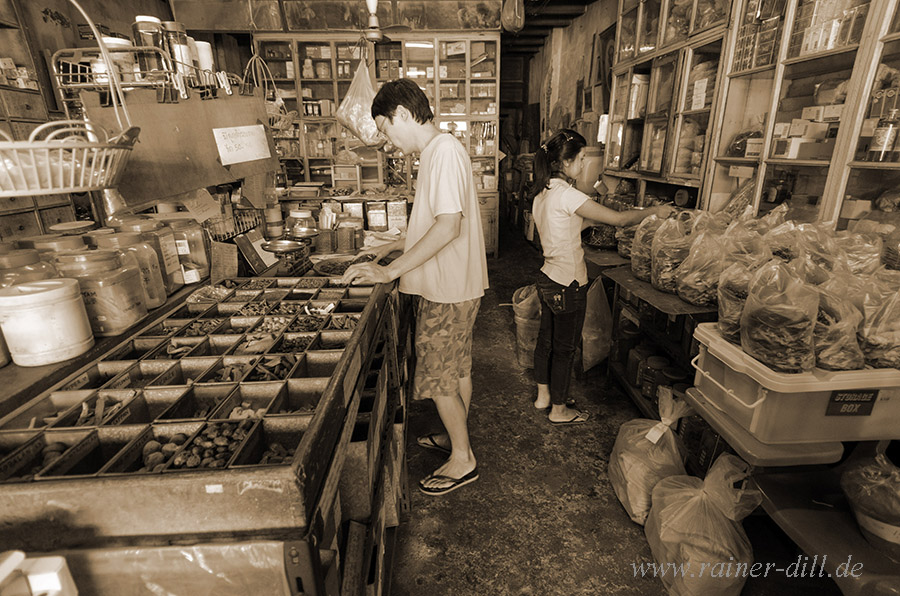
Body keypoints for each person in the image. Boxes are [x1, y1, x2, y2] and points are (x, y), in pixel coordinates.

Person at [343, 78, 489, 496]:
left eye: (386, 129)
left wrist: (389, 272)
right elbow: (435, 224)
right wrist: (391, 245)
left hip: (446, 288)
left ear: (403, 115)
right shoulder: (441, 151)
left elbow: (448, 227)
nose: (388, 140)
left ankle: (463, 458)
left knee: (441, 375)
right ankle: (454, 433)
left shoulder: (441, 153)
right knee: (457, 367)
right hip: (458, 285)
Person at [530, 129, 674, 424]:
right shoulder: (568, 195)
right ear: (566, 161)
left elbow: (567, 227)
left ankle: (544, 396)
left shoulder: (542, 195)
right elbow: (620, 219)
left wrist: (595, 219)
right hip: (568, 283)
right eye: (581, 158)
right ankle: (559, 410)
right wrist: (655, 211)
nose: (583, 165)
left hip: (547, 278)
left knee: (546, 341)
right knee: (565, 348)